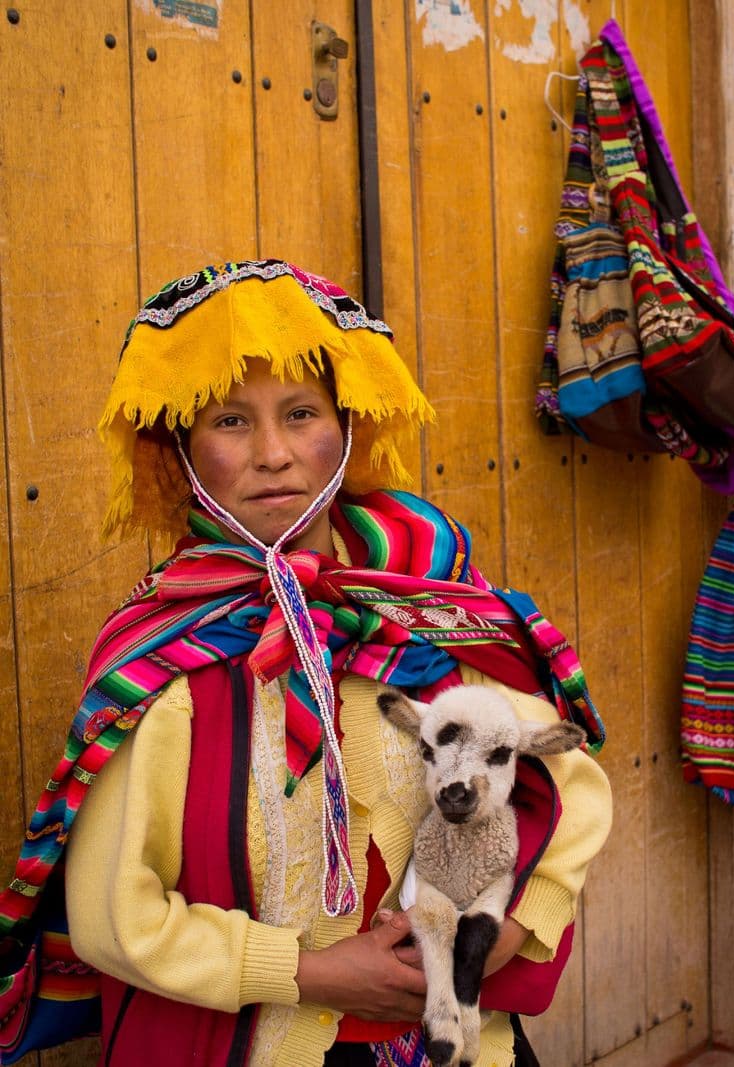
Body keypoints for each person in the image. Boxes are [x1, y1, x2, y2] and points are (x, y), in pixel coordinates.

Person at [0, 260, 612, 1067]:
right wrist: (312, 972)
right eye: (229, 421)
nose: (275, 453)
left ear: (349, 426)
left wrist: (501, 933)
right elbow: (115, 910)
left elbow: (571, 791)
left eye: (300, 413)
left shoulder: (431, 612)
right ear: (179, 452)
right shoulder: (160, 662)